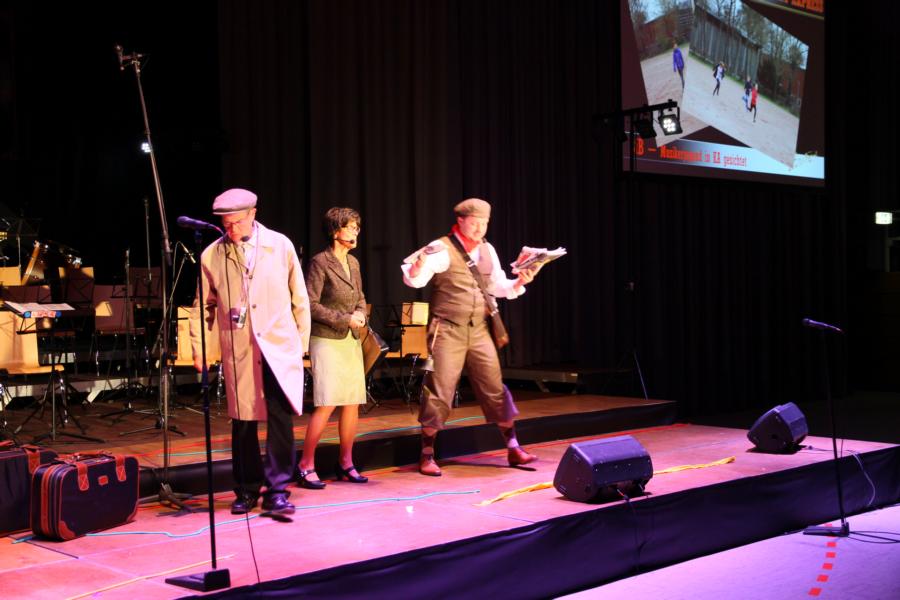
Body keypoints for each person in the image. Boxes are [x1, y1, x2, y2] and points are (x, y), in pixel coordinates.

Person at [191, 188, 311, 517]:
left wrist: (301, 344)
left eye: (236, 223)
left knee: (279, 417)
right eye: (225, 224)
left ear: (253, 214)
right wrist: (201, 350)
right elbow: (202, 307)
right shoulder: (212, 255)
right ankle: (246, 488)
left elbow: (300, 297)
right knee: (243, 420)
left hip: (278, 346)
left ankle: (277, 489)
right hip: (240, 347)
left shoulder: (280, 245)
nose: (231, 230)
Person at [402, 198, 542, 477]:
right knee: (439, 389)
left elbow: (496, 286)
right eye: (475, 223)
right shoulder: (441, 247)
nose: (480, 228)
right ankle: (427, 454)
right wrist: (417, 268)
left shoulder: (488, 249)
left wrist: (520, 282)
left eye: (484, 223)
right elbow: (414, 279)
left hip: (478, 329)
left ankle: (513, 447)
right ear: (461, 221)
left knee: (494, 386)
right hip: (447, 328)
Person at [298, 207, 369, 489]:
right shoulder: (320, 262)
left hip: (350, 339)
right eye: (350, 227)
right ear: (335, 231)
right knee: (327, 402)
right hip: (326, 338)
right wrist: (344, 318)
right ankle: (305, 465)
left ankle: (346, 462)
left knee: (352, 402)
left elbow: (360, 296)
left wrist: (361, 313)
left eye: (356, 227)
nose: (355, 231)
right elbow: (310, 304)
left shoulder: (353, 263)